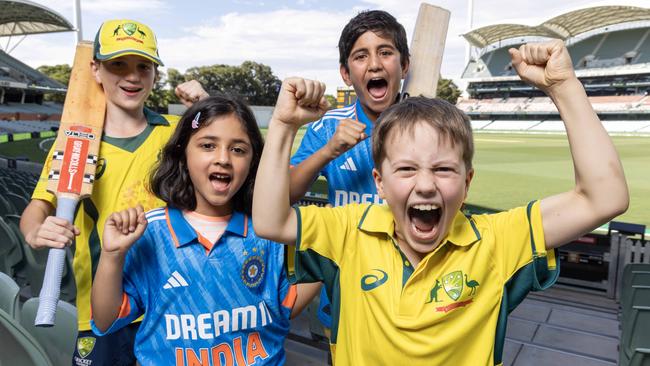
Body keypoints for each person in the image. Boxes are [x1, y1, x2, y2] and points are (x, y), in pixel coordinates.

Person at [252, 40, 629, 365]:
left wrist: (564, 87)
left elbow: (604, 197)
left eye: (444, 169)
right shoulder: (349, 230)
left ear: (467, 184)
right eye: (407, 169)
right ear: (379, 184)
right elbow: (270, 221)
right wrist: (285, 125)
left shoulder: (496, 241)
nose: (426, 185)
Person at [19, 19, 205, 366]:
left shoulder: (175, 134)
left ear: (154, 74)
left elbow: (230, 162)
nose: (132, 76)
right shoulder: (74, 143)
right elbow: (37, 207)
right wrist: (34, 230)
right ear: (96, 69)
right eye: (117, 64)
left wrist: (207, 105)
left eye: (143, 66)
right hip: (102, 311)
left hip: (171, 305)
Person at [90, 95, 315, 365]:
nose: (223, 159)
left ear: (255, 162)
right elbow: (105, 321)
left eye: (239, 149)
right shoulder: (151, 232)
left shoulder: (269, 232)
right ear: (183, 153)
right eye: (208, 145)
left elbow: (285, 307)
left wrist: (338, 251)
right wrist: (112, 256)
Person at [288, 9, 410, 334]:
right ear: (346, 73)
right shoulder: (328, 127)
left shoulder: (425, 126)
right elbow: (285, 193)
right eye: (360, 56)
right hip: (344, 299)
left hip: (410, 299)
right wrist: (330, 151)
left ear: (404, 65)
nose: (374, 64)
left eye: (386, 52)